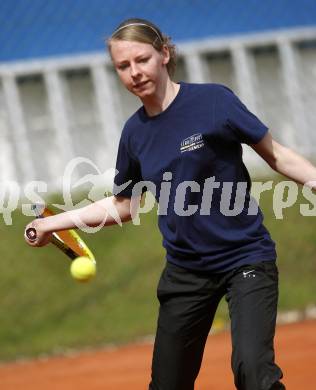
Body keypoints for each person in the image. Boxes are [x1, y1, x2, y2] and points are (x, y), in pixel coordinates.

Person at [25, 18, 316, 390]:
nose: (134, 72)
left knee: (253, 372)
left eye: (141, 60)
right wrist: (53, 223)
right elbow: (124, 206)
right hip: (186, 272)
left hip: (245, 257)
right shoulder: (135, 134)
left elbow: (276, 156)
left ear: (164, 54)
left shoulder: (214, 101)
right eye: (123, 66)